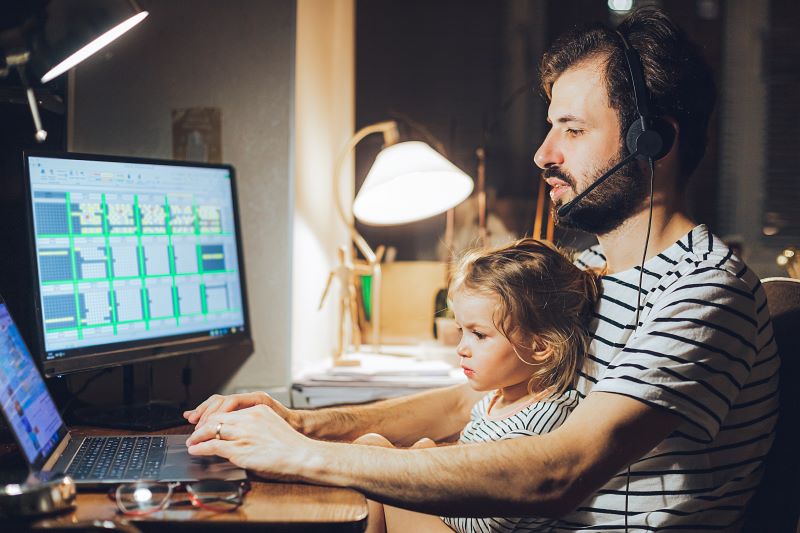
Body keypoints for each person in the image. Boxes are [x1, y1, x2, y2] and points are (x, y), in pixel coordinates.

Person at [183, 7, 779, 531]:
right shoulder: (592, 271)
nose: (544, 153)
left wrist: (301, 455)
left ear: (654, 142)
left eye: (572, 130)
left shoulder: (703, 292)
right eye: (551, 127)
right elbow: (468, 405)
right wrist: (302, 425)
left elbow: (558, 471)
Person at [354, 238, 598, 532]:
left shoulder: (542, 421)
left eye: (479, 335)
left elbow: (488, 523)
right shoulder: (494, 402)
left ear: (540, 346)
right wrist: (428, 465)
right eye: (461, 331)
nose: (462, 348)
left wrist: (425, 475)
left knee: (379, 467)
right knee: (374, 451)